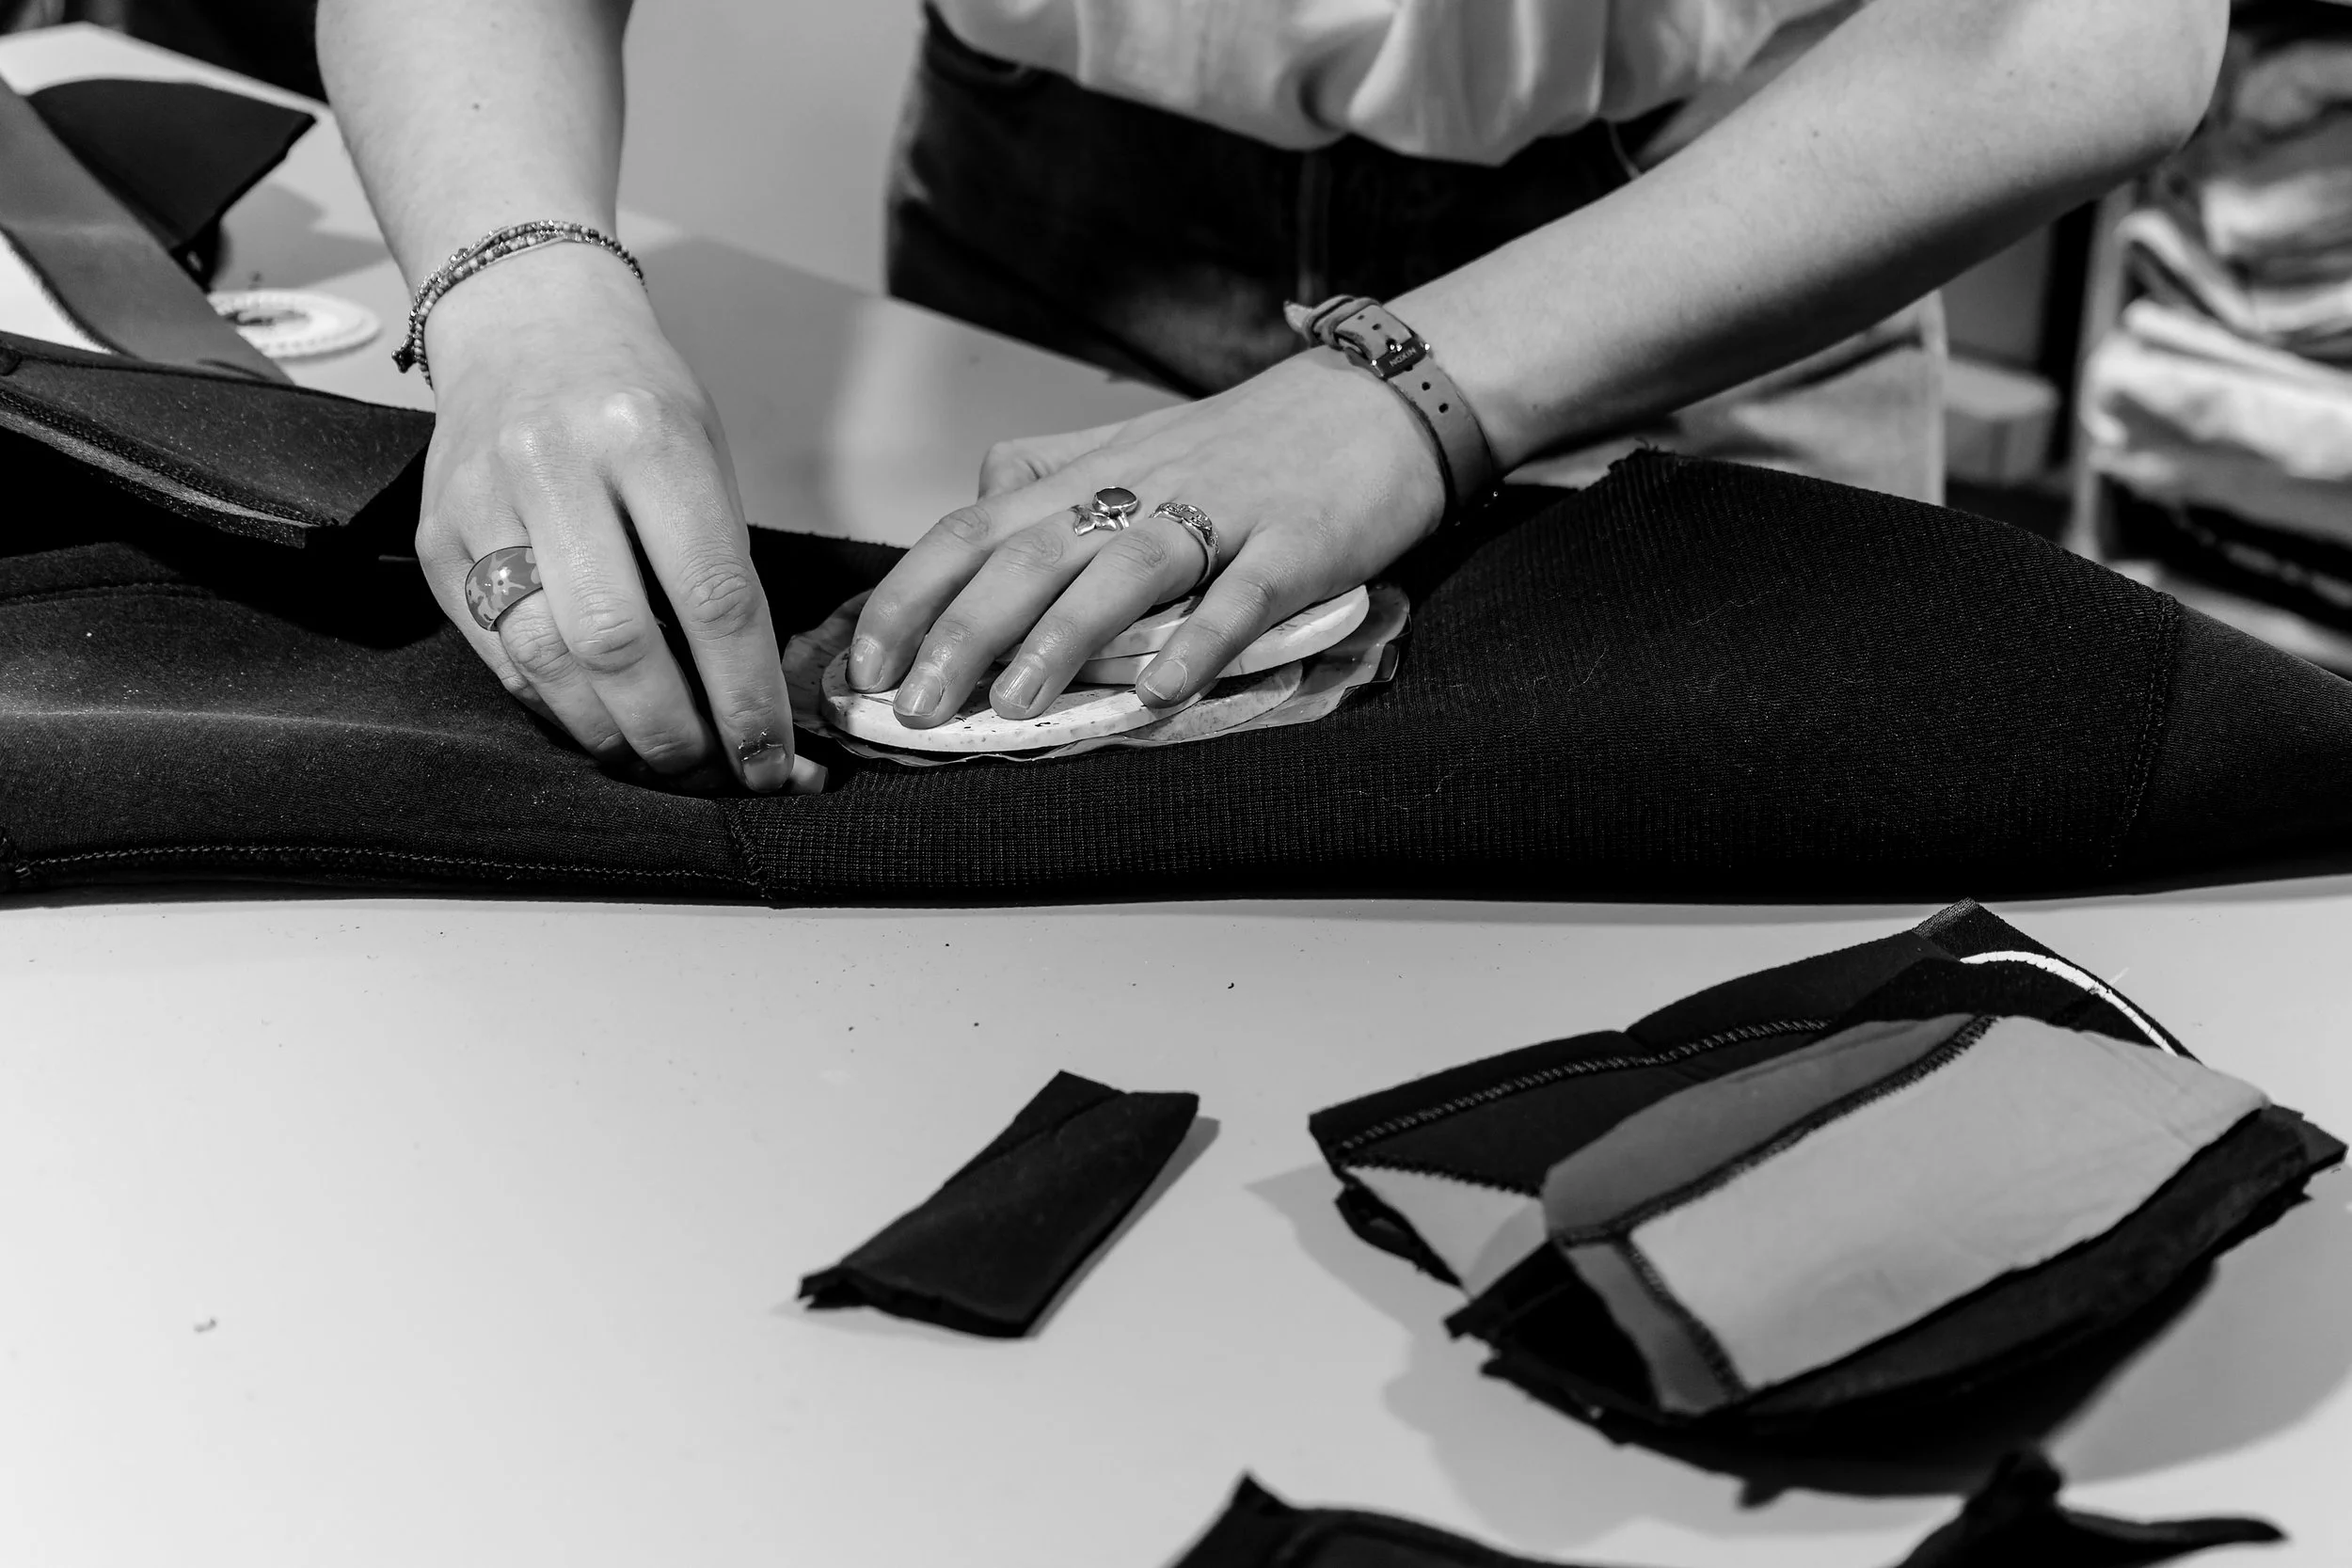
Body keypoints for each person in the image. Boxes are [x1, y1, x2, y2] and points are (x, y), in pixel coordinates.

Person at [317, 0, 2227, 792]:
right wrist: (515, 286)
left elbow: (2084, 29)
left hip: (1718, 243)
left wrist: (1394, 393)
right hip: (1048, 214)